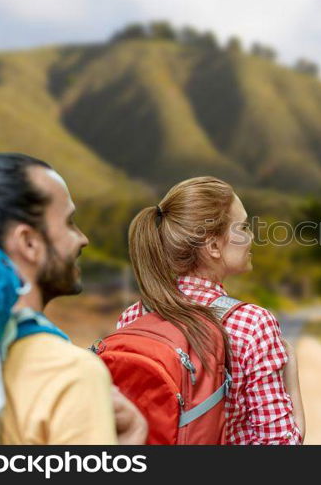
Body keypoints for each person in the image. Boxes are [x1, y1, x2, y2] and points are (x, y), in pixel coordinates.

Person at [0, 150, 147, 444]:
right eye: (69, 222)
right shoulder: (67, 372)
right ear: (28, 242)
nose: (82, 239)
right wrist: (132, 438)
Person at [118, 176, 305, 444]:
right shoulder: (252, 323)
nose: (251, 236)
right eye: (242, 227)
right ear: (214, 246)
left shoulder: (133, 317)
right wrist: (292, 379)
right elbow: (279, 443)